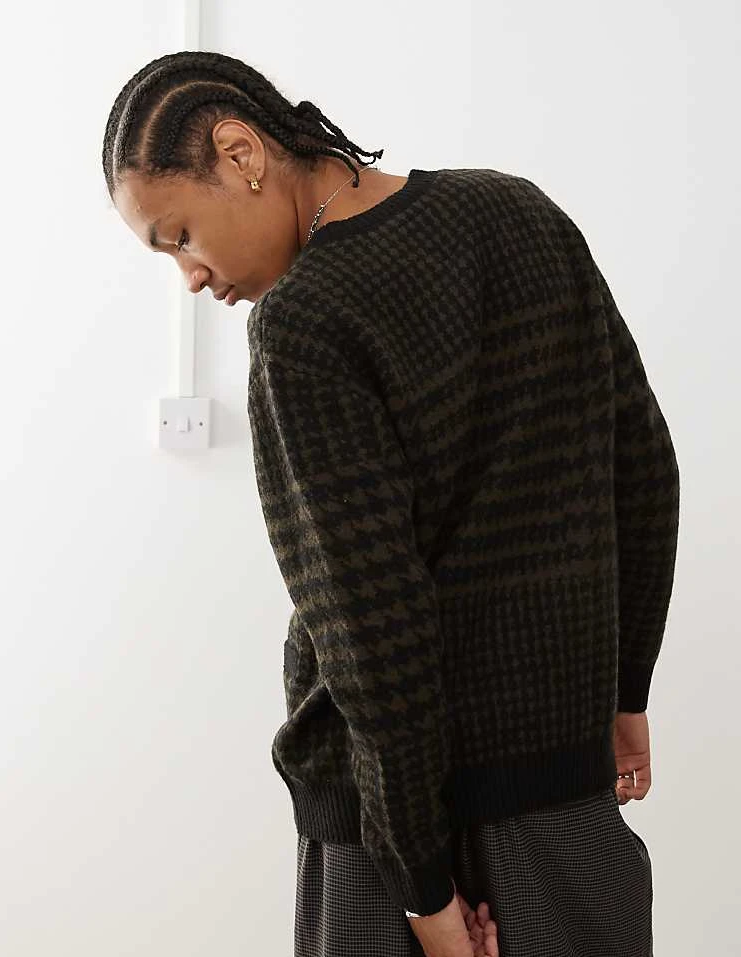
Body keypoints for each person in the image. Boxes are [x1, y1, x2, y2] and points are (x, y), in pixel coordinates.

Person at [103, 50, 679, 957]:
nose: (192, 277)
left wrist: (422, 888)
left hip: (390, 831)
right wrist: (624, 693)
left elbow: (371, 631)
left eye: (178, 236)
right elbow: (643, 466)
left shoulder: (302, 324)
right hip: (563, 792)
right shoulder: (518, 212)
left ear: (241, 154)